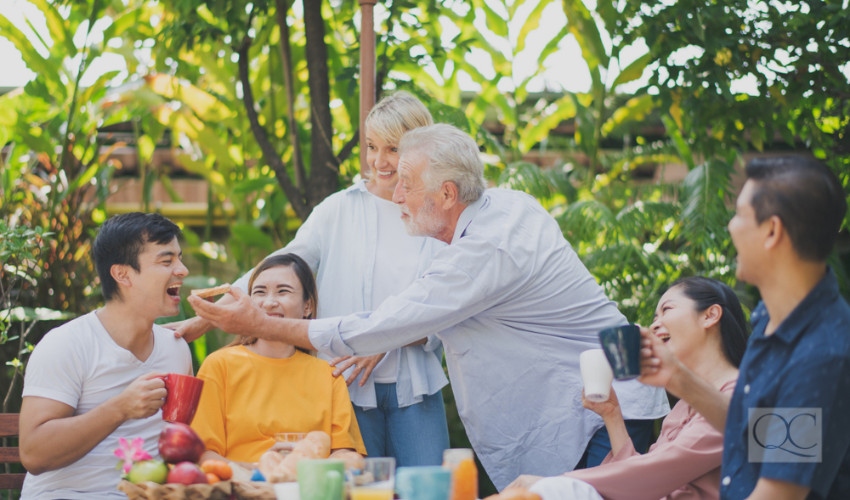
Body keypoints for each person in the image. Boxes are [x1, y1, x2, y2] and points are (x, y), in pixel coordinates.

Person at [186, 123, 670, 489]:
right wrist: (219, 307)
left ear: (446, 194)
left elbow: (394, 319)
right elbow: (299, 256)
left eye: (406, 184)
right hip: (568, 409)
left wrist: (258, 322)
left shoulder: (487, 249)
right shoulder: (491, 216)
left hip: (596, 412)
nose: (394, 195)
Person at [171, 91, 451, 466]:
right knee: (357, 488)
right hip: (346, 382)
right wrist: (206, 319)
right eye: (371, 147)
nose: (379, 161)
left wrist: (383, 339)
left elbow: (444, 308)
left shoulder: (435, 217)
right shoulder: (339, 209)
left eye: (393, 149)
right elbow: (276, 268)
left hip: (415, 386)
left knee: (431, 491)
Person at [640, 157, 850, 499]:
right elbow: (759, 431)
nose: (731, 226)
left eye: (739, 215)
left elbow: (778, 494)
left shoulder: (822, 353)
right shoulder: (772, 318)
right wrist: (676, 376)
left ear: (772, 231)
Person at [508, 276, 748, 500]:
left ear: (710, 315)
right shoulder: (684, 406)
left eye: (667, 310)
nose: (655, 325)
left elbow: (658, 472)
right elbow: (644, 478)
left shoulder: (746, 396)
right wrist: (612, 415)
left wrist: (558, 483)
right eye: (654, 317)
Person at [18, 212, 193, 499]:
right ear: (122, 274)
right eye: (166, 261)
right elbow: (34, 454)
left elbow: (179, 442)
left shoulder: (175, 348)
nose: (182, 270)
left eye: (179, 257)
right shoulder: (67, 345)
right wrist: (121, 408)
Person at [191, 253, 367, 471]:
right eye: (259, 292)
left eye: (283, 291)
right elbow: (203, 454)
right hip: (240, 488)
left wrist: (300, 477)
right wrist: (264, 473)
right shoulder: (219, 365)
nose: (269, 302)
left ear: (307, 307)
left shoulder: (327, 373)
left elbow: (345, 453)